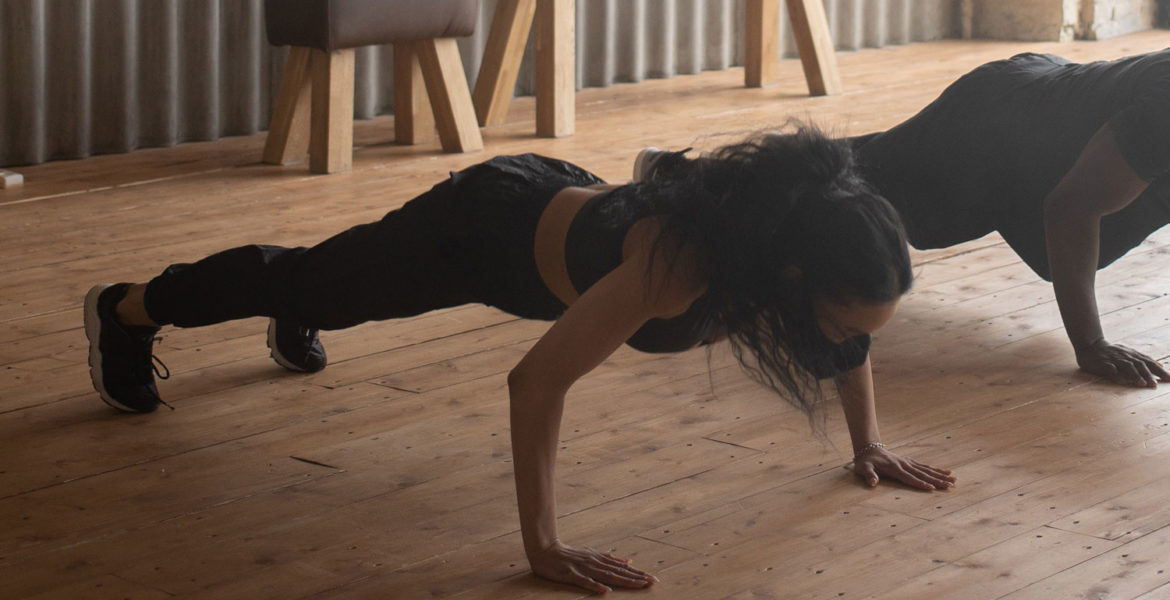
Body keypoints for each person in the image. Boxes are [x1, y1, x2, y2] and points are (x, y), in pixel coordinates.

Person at [84, 128, 955, 594]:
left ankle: (299, 312)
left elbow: (846, 338)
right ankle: (128, 306)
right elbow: (535, 380)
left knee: (323, 289)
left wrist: (866, 444)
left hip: (564, 224)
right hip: (481, 234)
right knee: (312, 281)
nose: (848, 337)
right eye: (839, 312)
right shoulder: (676, 267)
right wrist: (542, 544)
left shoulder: (797, 247)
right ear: (792, 274)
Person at [638, 49, 1170, 389]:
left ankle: (686, 172)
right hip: (992, 123)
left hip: (1037, 116)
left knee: (870, 169)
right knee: (854, 191)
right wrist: (1091, 344)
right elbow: (1070, 208)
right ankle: (682, 177)